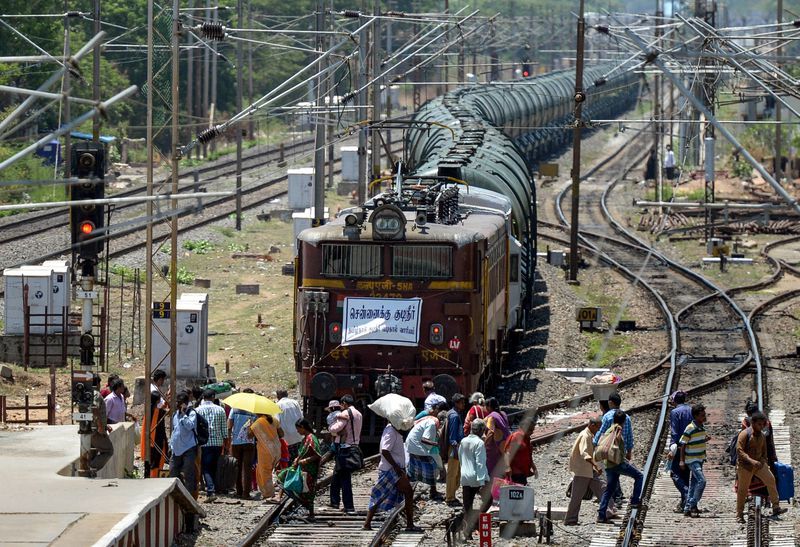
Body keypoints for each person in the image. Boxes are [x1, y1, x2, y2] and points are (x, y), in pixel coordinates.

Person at [363, 421, 420, 532]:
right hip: (391, 470)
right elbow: (385, 450)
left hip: (393, 469)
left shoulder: (392, 430)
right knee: (402, 492)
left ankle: (368, 523)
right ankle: (409, 524)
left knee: (383, 495)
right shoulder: (391, 432)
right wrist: (396, 467)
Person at [735, 411, 788, 523]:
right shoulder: (745, 434)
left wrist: (763, 461)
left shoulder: (762, 436)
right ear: (753, 423)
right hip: (745, 466)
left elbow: (764, 452)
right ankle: (739, 514)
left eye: (763, 424)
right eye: (759, 424)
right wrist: (752, 461)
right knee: (743, 490)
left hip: (759, 465)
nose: (761, 426)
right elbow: (739, 451)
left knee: (771, 480)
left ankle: (776, 507)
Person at [597, 410, 643, 524]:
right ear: (623, 421)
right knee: (639, 476)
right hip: (617, 463)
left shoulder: (609, 429)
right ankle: (635, 500)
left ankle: (601, 515)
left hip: (608, 464)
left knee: (609, 490)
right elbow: (616, 443)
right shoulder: (618, 429)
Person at [565, 417, 606, 525]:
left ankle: (609, 511)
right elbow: (584, 453)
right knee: (577, 497)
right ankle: (570, 520)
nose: (598, 430)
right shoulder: (585, 436)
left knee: (602, 488)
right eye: (597, 427)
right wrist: (596, 466)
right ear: (592, 425)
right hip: (582, 470)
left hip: (588, 470)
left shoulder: (588, 435)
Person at [278, 419, 322, 520]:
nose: (297, 431)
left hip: (309, 469)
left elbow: (317, 455)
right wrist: (297, 460)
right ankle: (309, 512)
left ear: (302, 427)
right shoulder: (306, 438)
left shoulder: (311, 438)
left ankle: (311, 514)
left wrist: (304, 461)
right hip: (303, 468)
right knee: (286, 477)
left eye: (298, 429)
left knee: (308, 491)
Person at [329, 394, 363, 514]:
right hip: (354, 446)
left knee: (344, 478)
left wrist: (332, 427)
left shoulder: (345, 414)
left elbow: (335, 429)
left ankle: (349, 506)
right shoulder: (359, 414)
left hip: (344, 449)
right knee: (338, 474)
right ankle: (334, 501)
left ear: (344, 403)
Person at [459, 418, 491, 540]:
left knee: (468, 505)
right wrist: (482, 481)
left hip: (465, 476)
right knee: (489, 499)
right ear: (482, 430)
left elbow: (461, 458)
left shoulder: (463, 441)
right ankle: (477, 521)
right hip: (476, 477)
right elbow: (480, 463)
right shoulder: (479, 443)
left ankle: (467, 532)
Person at [195, 389, 228, 501]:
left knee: (206, 467)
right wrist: (226, 444)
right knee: (213, 466)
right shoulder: (220, 410)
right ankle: (213, 487)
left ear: (203, 397)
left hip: (204, 443)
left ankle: (211, 490)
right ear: (213, 397)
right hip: (218, 443)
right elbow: (224, 430)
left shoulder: (197, 410)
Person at [406, 406, 443, 500]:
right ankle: (433, 492)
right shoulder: (432, 424)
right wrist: (436, 444)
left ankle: (405, 489)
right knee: (433, 466)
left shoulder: (428, 420)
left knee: (413, 469)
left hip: (411, 445)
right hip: (416, 446)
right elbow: (424, 439)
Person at [679, 404, 708, 517]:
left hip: (700, 459)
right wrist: (682, 460)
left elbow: (698, 439)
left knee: (694, 483)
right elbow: (683, 444)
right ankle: (692, 504)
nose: (704, 417)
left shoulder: (701, 427)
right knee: (702, 481)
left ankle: (687, 508)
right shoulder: (690, 428)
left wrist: (705, 439)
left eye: (704, 415)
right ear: (695, 416)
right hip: (692, 460)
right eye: (702, 415)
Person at [248, 411, 283, 503]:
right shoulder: (274, 420)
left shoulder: (257, 423)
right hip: (276, 449)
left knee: (265, 472)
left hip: (265, 451)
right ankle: (269, 491)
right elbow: (282, 434)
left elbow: (249, 436)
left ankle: (269, 494)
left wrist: (249, 427)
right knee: (268, 471)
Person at [169, 392, 198, 496]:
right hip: (176, 448)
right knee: (173, 472)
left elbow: (190, 426)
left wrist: (184, 414)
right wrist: (171, 444)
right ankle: (175, 495)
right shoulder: (175, 414)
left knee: (188, 473)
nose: (177, 404)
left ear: (185, 403)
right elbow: (175, 430)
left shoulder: (191, 413)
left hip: (188, 448)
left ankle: (189, 496)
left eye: (179, 402)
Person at [228, 393, 256, 500]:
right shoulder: (253, 410)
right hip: (249, 442)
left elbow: (229, 425)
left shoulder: (234, 409)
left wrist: (229, 440)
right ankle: (246, 493)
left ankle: (239, 491)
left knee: (237, 467)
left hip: (236, 442)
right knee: (247, 468)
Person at [142, 369, 170, 478]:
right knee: (155, 456)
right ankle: (153, 476)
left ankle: (150, 475)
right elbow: (165, 409)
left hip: (154, 431)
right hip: (156, 433)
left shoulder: (153, 411)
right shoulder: (155, 411)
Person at [669, 391, 692, 512]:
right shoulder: (691, 409)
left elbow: (674, 431)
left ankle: (687, 494)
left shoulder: (674, 412)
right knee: (686, 474)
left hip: (680, 446)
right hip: (691, 446)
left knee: (674, 473)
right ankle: (684, 504)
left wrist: (672, 446)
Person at [88, 374, 114, 476]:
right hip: (96, 430)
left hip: (90, 428)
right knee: (108, 450)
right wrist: (100, 426)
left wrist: (104, 425)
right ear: (98, 383)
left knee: (93, 452)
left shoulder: (88, 393)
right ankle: (91, 469)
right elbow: (95, 409)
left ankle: (89, 469)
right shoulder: (96, 394)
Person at [444, 393, 466, 505]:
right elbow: (452, 436)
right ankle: (450, 497)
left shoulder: (453, 413)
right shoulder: (454, 416)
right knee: (452, 473)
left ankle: (451, 493)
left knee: (456, 473)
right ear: (456, 403)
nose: (464, 404)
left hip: (455, 447)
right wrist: (456, 450)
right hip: (455, 447)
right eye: (462, 402)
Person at [484, 397, 511, 478]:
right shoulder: (503, 414)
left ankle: (494, 489)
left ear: (488, 406)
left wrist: (484, 446)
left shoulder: (491, 417)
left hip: (495, 449)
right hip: (506, 445)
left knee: (492, 472)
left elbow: (489, 432)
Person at [505, 417, 537, 486]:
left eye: (532, 430)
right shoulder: (516, 437)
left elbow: (528, 455)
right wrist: (508, 467)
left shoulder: (526, 438)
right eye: (530, 430)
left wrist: (534, 468)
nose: (532, 432)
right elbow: (507, 453)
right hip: (516, 472)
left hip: (523, 472)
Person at [276, 389, 304, 460]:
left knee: (288, 459)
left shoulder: (277, 405)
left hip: (286, 437)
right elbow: (301, 418)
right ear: (287, 395)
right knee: (297, 458)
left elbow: (276, 422)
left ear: (278, 396)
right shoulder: (295, 402)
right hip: (297, 434)